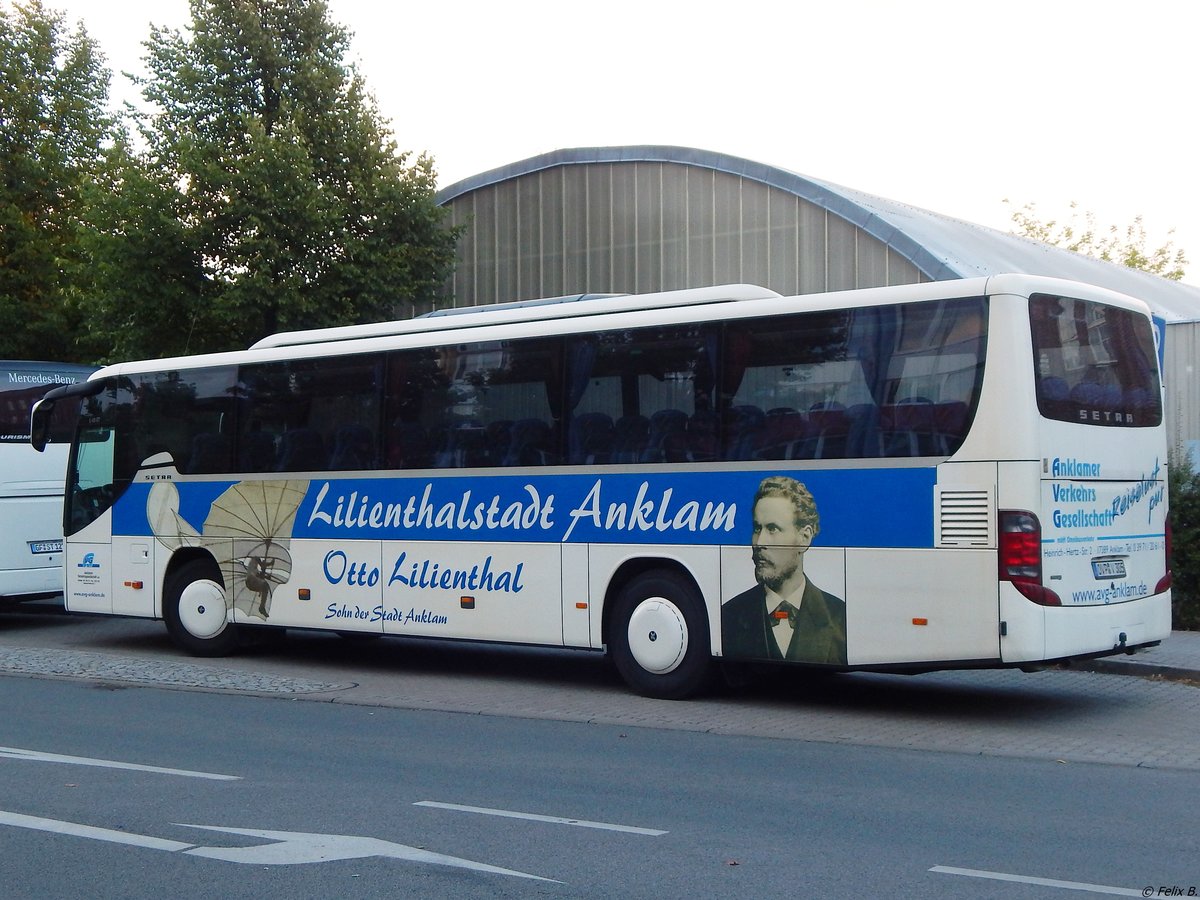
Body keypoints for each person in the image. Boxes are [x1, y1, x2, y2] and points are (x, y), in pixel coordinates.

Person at [721, 475, 847, 665]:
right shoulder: (729, 614)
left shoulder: (839, 616)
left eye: (773, 529)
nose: (759, 542)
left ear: (804, 538)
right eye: (757, 528)